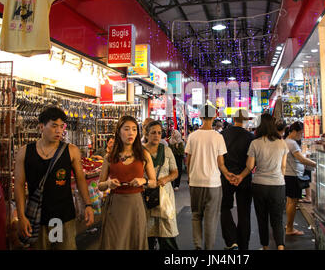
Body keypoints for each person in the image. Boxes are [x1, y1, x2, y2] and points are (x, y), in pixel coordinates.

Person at [14, 106, 94, 250]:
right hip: (38, 217)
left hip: (63, 216)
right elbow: (19, 185)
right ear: (41, 127)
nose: (59, 130)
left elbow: (81, 179)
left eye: (61, 126)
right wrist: (21, 216)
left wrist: (87, 205)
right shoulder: (25, 152)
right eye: (54, 126)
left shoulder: (71, 151)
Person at [98, 116, 157, 250]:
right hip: (115, 205)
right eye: (127, 129)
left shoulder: (143, 154)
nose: (131, 133)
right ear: (119, 132)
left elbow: (154, 182)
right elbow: (100, 185)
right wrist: (108, 184)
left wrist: (144, 181)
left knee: (135, 241)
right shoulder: (110, 156)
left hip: (135, 205)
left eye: (134, 129)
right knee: (114, 242)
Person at [185, 104, 236, 250]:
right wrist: (227, 175)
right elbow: (221, 163)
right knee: (210, 219)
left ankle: (198, 246)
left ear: (200, 117)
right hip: (213, 183)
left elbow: (188, 161)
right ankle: (209, 248)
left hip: (195, 182)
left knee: (196, 215)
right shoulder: (218, 137)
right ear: (214, 117)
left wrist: (190, 178)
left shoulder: (192, 136)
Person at [235, 113, 289, 250]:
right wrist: (279, 178)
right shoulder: (282, 143)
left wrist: (240, 176)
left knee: (262, 219)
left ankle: (265, 247)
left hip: (259, 185)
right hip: (277, 185)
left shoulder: (255, 143)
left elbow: (250, 166)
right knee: (278, 220)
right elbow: (283, 166)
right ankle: (280, 247)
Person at [220, 109, 255, 250]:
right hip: (244, 177)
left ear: (233, 119)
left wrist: (228, 173)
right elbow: (252, 162)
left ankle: (231, 240)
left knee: (224, 208)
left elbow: (219, 157)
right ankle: (244, 246)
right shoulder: (251, 137)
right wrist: (241, 176)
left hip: (226, 176)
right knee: (244, 212)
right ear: (246, 120)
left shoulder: (223, 135)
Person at [143, 121, 179, 250]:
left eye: (159, 133)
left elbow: (175, 172)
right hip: (146, 195)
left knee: (166, 231)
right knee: (147, 232)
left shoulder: (167, 150)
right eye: (153, 133)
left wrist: (166, 179)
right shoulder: (140, 152)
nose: (157, 136)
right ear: (146, 135)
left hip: (164, 195)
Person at [284, 121, 316, 236]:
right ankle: (290, 228)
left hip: (289, 175)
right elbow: (302, 159)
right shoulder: (292, 143)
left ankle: (289, 225)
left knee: (290, 201)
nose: (301, 136)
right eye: (300, 133)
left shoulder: (287, 141)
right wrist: (316, 164)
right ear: (294, 131)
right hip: (293, 176)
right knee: (292, 202)